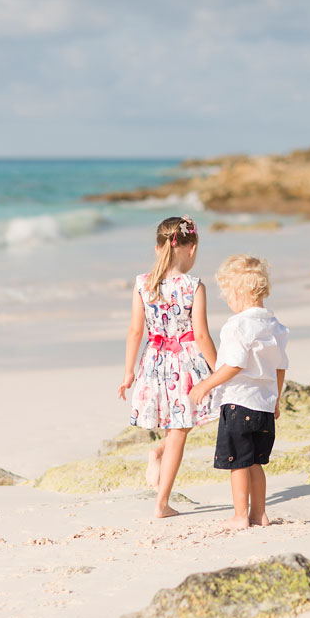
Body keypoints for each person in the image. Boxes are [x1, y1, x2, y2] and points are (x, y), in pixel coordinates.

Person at [118, 216, 218, 518]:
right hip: (185, 363)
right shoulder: (193, 286)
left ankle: (158, 452)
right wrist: (219, 372)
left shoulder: (142, 284)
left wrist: (128, 372)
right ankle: (161, 503)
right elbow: (200, 334)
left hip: (154, 361)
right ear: (192, 248)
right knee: (179, 430)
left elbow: (135, 331)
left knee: (174, 425)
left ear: (158, 248)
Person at [189, 255, 288, 529]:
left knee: (238, 463)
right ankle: (260, 514)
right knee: (256, 462)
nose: (227, 301)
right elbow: (280, 368)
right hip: (264, 408)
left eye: (227, 295)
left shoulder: (237, 325)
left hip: (239, 404)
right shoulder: (276, 327)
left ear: (236, 292)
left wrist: (206, 384)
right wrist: (276, 400)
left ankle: (240, 515)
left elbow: (234, 364)